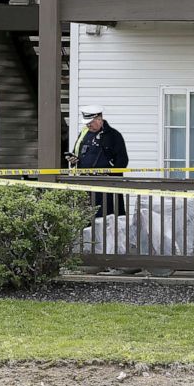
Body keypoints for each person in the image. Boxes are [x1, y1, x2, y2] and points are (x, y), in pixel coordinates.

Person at [66, 106, 138, 275]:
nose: (89, 126)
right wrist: (73, 160)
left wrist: (105, 171)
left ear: (99, 118)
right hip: (86, 186)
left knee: (110, 223)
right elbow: (80, 157)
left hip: (107, 189)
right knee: (87, 222)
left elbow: (122, 162)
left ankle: (116, 261)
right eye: (87, 123)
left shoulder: (114, 136)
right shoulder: (84, 134)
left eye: (91, 122)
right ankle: (90, 260)